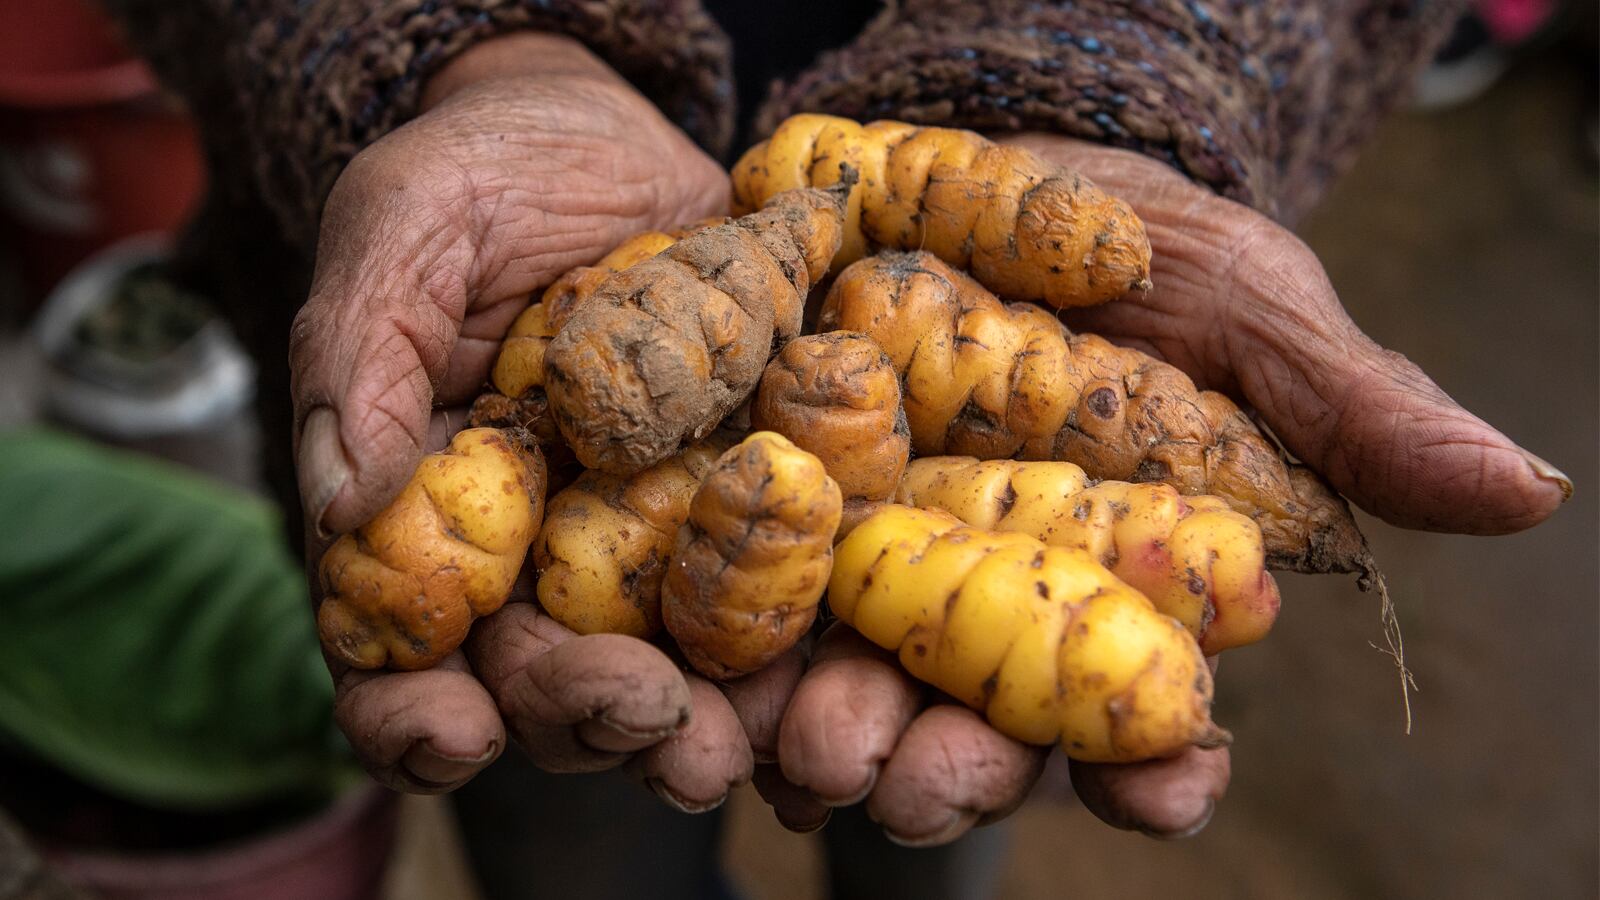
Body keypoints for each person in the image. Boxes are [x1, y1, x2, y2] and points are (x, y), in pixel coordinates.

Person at [100, 2, 1571, 897]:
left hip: (921, 209)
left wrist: (1099, 62)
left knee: (926, 801)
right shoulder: (722, 317)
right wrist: (463, 54)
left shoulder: (866, 330)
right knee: (564, 771)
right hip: (577, 286)